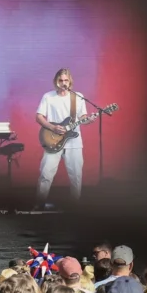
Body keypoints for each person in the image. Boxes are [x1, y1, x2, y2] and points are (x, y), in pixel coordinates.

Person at [35, 68, 95, 207]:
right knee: (46, 174)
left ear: (70, 81)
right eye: (60, 80)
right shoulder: (48, 97)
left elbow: (82, 118)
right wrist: (52, 127)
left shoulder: (78, 97)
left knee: (76, 176)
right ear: (56, 81)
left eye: (66, 80)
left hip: (74, 141)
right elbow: (38, 116)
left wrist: (89, 119)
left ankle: (75, 206)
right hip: (53, 139)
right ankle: (39, 204)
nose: (63, 83)